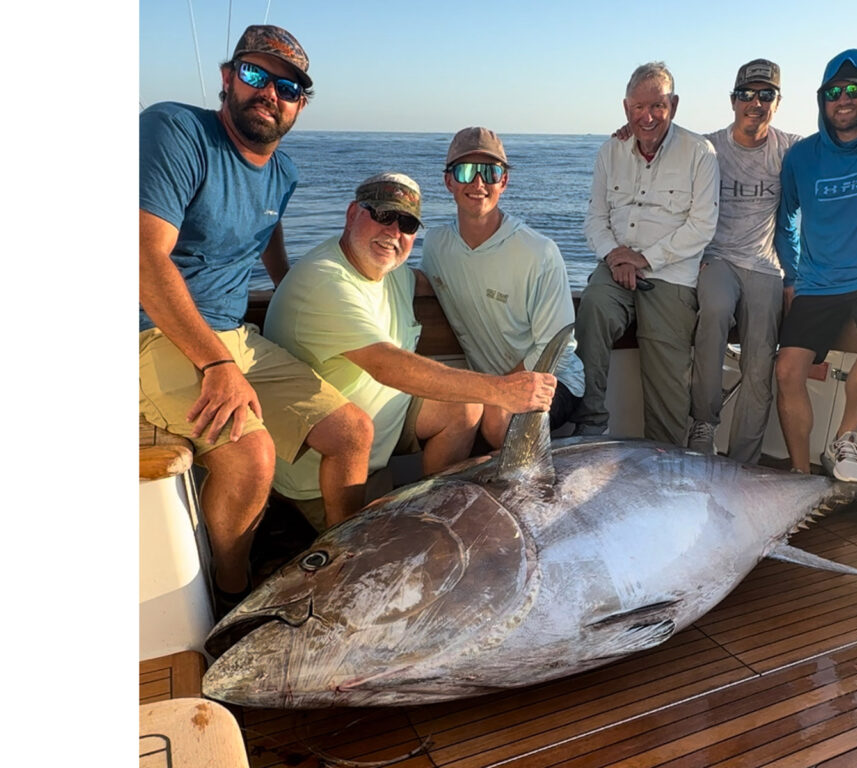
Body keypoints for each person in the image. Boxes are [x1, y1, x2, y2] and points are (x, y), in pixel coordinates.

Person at [139, 25, 369, 614]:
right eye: (254, 75)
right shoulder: (176, 129)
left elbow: (268, 225)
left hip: (238, 337)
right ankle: (232, 595)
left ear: (300, 103)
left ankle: (339, 574)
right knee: (252, 456)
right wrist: (215, 362)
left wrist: (288, 278)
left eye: (287, 85)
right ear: (227, 78)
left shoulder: (284, 173)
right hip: (156, 332)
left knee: (352, 433)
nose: (270, 91)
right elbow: (142, 254)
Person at [263, 172, 557, 531]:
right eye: (383, 216)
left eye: (407, 223)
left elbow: (437, 281)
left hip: (380, 441)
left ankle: (431, 512)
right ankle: (344, 541)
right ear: (352, 213)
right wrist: (502, 390)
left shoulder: (395, 275)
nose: (393, 232)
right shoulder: (325, 280)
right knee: (364, 556)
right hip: (322, 476)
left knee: (464, 408)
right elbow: (388, 366)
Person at [573, 62, 720, 445]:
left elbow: (702, 227)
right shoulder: (611, 150)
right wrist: (616, 256)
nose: (648, 116)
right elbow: (594, 221)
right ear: (626, 108)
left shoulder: (699, 153)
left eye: (657, 106)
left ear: (673, 104)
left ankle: (665, 460)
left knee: (668, 390)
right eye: (638, 107)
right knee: (593, 308)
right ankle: (589, 429)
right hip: (615, 266)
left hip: (670, 274)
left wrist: (646, 259)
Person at [420, 127, 585, 449]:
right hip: (491, 386)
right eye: (466, 171)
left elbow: (560, 349)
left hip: (557, 381)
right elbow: (425, 281)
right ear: (449, 181)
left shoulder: (539, 252)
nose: (478, 183)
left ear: (503, 182)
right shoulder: (436, 244)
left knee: (496, 415)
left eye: (490, 172)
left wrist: (500, 388)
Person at [775, 49, 857, 483]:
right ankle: (801, 477)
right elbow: (785, 220)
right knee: (786, 370)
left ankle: (846, 436)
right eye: (833, 92)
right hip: (818, 283)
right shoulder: (802, 157)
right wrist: (792, 274)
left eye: (855, 89)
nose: (843, 99)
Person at [685, 59, 802, 464]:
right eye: (747, 94)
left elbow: (841, 149)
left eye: (766, 94)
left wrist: (798, 277)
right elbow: (656, 146)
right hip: (716, 259)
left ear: (778, 102)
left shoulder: (791, 148)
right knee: (714, 310)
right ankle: (703, 424)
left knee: (759, 362)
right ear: (733, 100)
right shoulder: (707, 147)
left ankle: (743, 463)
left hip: (766, 267)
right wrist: (629, 131)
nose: (756, 102)